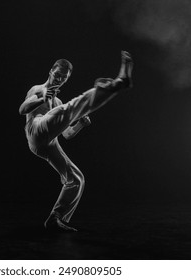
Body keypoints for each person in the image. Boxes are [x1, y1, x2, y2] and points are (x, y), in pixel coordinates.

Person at [19, 51, 133, 232]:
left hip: (48, 144)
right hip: (36, 130)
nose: (59, 80)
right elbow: (22, 109)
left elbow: (67, 135)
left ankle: (55, 218)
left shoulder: (57, 102)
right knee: (68, 109)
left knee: (76, 179)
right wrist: (43, 97)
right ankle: (117, 84)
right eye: (57, 75)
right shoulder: (38, 89)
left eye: (64, 78)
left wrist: (80, 124)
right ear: (50, 71)